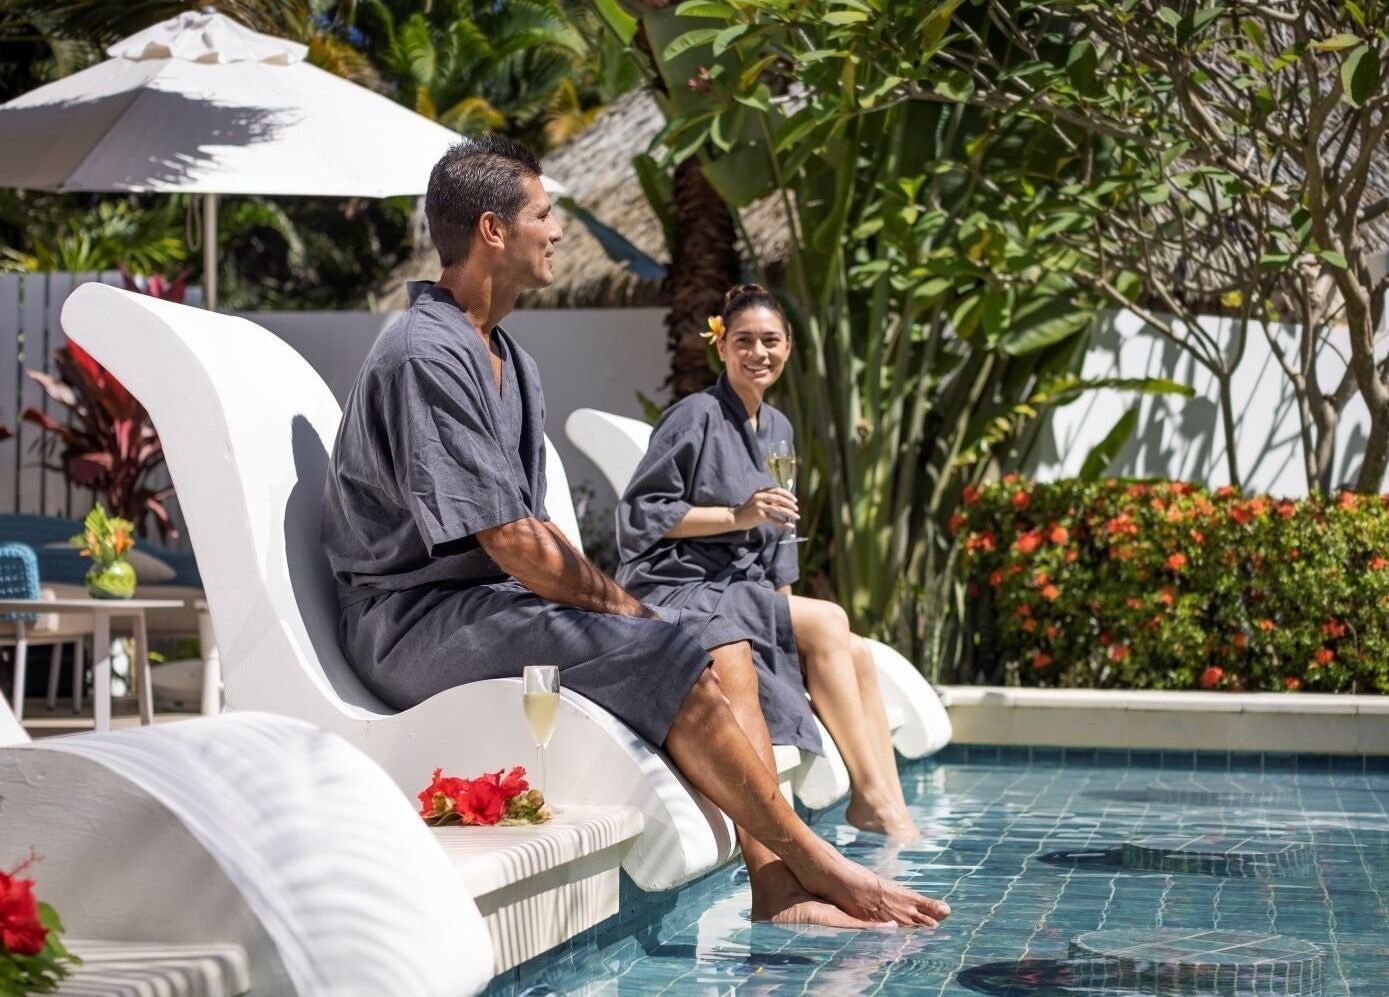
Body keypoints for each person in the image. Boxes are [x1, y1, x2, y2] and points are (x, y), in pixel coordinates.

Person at [320, 136, 949, 929]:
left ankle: (776, 887)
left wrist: (632, 610)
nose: (558, 230)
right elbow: (512, 540)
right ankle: (820, 865)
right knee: (664, 645)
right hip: (411, 623)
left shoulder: (506, 356)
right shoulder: (426, 354)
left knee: (707, 640)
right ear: (492, 230)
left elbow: (532, 529)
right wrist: (629, 609)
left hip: (486, 606)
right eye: (543, 214)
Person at [616, 284, 920, 839]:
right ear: (722, 347)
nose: (758, 352)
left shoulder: (778, 427)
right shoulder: (694, 416)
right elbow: (641, 513)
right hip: (682, 584)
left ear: (789, 346)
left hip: (747, 588)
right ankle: (873, 799)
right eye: (744, 341)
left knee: (855, 650)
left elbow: (781, 536)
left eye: (770, 341)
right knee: (831, 618)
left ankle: (887, 804)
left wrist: (786, 626)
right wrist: (738, 515)